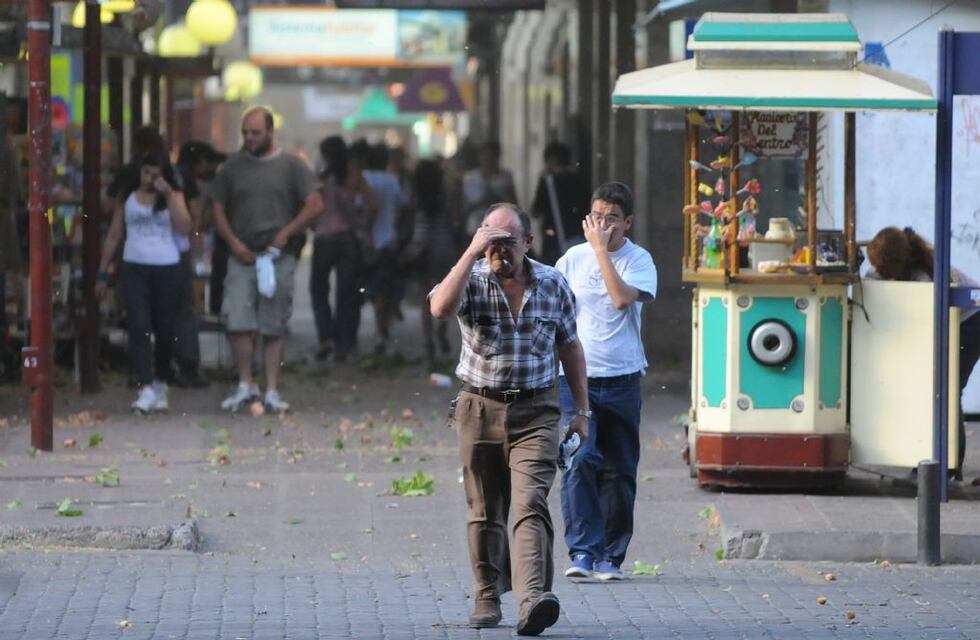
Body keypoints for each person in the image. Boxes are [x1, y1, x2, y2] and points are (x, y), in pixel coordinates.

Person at [429, 203, 591, 636]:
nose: (499, 252)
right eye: (491, 242)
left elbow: (570, 347)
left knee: (530, 502)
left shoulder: (553, 284)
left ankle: (532, 598)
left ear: (528, 243)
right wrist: (471, 252)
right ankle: (486, 594)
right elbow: (441, 309)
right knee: (484, 508)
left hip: (537, 410)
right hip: (479, 409)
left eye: (507, 243)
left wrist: (582, 411)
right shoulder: (471, 278)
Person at [554, 182, 658, 581]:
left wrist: (601, 251)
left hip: (623, 378)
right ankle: (582, 550)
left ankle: (610, 558)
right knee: (579, 458)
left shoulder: (639, 260)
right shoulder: (571, 260)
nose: (603, 225)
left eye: (612, 219)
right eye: (597, 217)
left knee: (619, 469)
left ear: (627, 222)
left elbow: (619, 299)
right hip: (576, 380)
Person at [211, 107, 323, 413]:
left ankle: (272, 388)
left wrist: (288, 231)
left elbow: (315, 204)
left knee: (274, 324)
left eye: (255, 132)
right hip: (242, 254)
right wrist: (232, 241)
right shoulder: (232, 168)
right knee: (237, 319)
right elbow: (217, 207)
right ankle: (246, 383)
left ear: (270, 132)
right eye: (245, 132)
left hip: (278, 256)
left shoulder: (292, 167)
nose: (249, 138)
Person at [867, 226, 979, 478]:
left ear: (897, 265)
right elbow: (872, 278)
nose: (879, 273)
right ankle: (938, 462)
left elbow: (928, 316)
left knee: (948, 391)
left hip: (971, 323)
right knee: (937, 390)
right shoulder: (895, 268)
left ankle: (949, 465)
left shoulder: (924, 278)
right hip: (950, 322)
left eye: (883, 269)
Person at [97, 151, 192, 413]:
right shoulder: (127, 198)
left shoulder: (172, 196)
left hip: (166, 266)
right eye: (146, 173)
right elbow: (115, 234)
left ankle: (161, 380)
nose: (150, 179)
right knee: (139, 324)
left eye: (156, 174)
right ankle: (145, 385)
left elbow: (185, 226)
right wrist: (102, 272)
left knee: (165, 328)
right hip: (135, 265)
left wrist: (169, 194)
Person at [310, 136, 376, 363]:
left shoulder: (320, 177)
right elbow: (373, 203)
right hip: (348, 238)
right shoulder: (353, 173)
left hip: (323, 238)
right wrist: (364, 224)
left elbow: (311, 206)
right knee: (345, 294)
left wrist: (314, 225)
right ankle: (342, 346)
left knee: (318, 289)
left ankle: (326, 338)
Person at [171, 140, 227, 388]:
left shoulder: (173, 175)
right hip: (179, 252)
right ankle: (188, 364)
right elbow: (195, 221)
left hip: (163, 253)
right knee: (185, 309)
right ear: (198, 162)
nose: (213, 167)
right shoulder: (187, 180)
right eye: (209, 162)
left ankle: (166, 364)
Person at [402, 158, 456, 360]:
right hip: (446, 251)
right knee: (448, 295)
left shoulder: (419, 201)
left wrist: (408, 253)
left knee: (427, 299)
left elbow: (420, 233)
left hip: (426, 255)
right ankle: (442, 328)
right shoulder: (446, 198)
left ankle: (428, 341)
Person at [355, 141, 405, 355]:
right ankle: (382, 330)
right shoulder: (392, 181)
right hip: (389, 241)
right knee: (385, 289)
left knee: (370, 289)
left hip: (367, 242)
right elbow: (403, 206)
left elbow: (357, 207)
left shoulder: (363, 179)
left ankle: (375, 330)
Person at [531, 142, 592, 265]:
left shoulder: (548, 182)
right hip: (577, 235)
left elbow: (536, 210)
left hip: (553, 238)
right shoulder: (579, 180)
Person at [461, 141, 517, 235]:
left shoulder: (505, 177)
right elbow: (465, 204)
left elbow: (514, 203)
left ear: (497, 157)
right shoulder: (471, 177)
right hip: (475, 226)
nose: (488, 160)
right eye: (485, 156)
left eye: (492, 157)